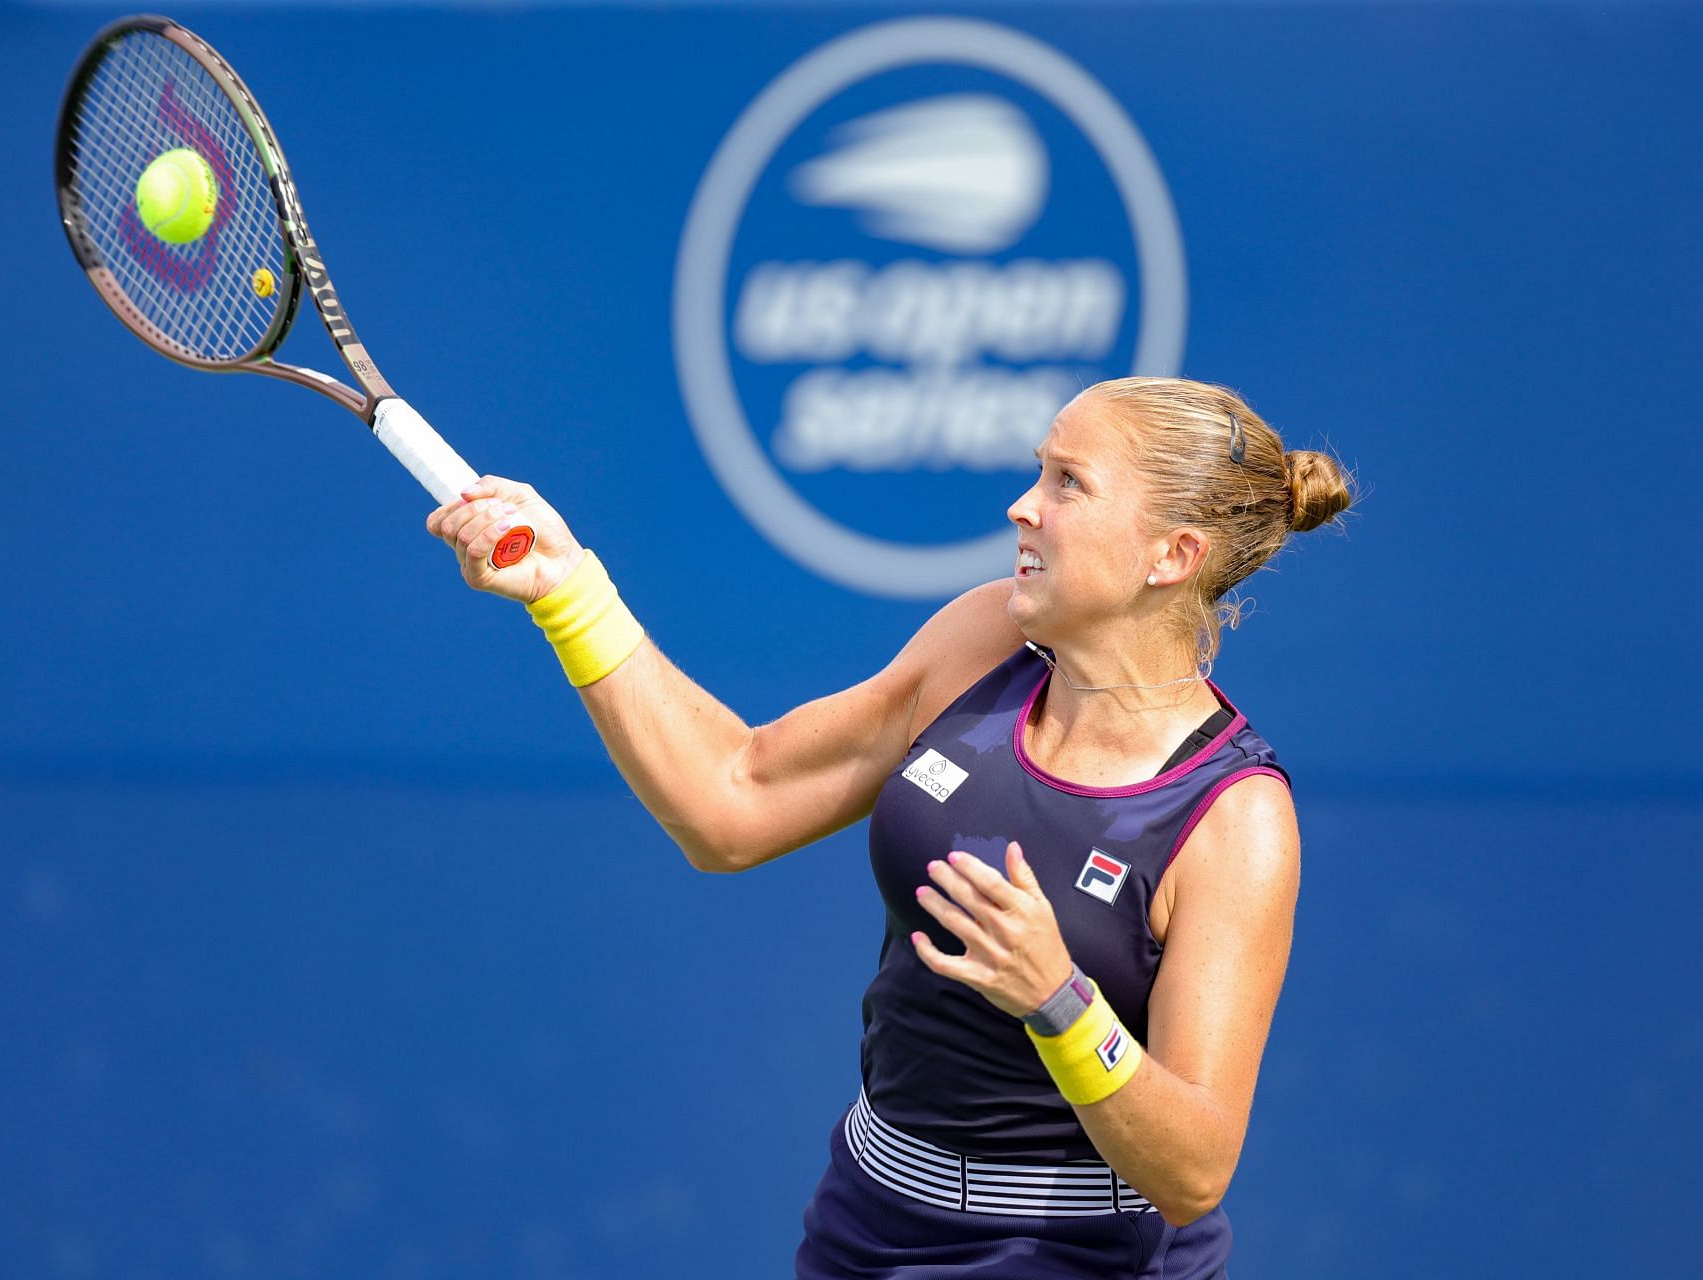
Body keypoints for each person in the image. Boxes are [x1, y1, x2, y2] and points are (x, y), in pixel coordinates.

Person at [425, 377, 1353, 1279]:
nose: (1022, 508)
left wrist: (1059, 1000)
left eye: (1069, 483)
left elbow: (1194, 1171)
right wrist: (568, 591)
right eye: (1040, 471)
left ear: (1173, 555)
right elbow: (731, 801)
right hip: (868, 1226)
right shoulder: (982, 641)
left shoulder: (1235, 817)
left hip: (1078, 1258)